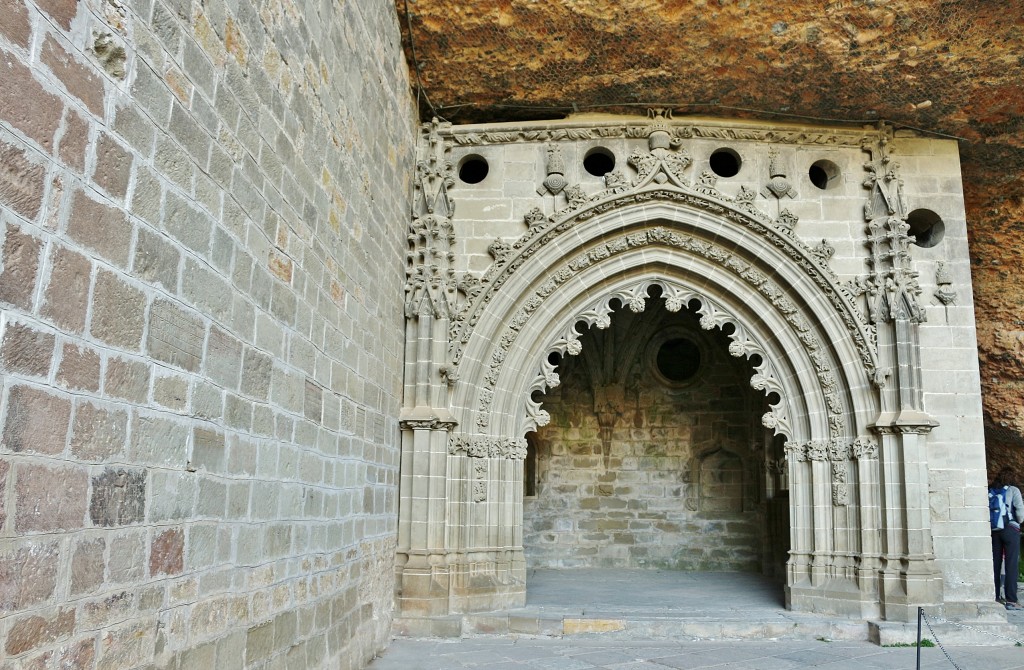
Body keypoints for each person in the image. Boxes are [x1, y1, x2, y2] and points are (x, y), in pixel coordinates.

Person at [990, 467, 1024, 610]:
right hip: (1010, 529)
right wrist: (1019, 522)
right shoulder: (1013, 490)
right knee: (1011, 565)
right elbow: (1020, 512)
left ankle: (995, 597)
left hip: (994, 530)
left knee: (995, 565)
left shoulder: (990, 490)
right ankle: (1011, 601)